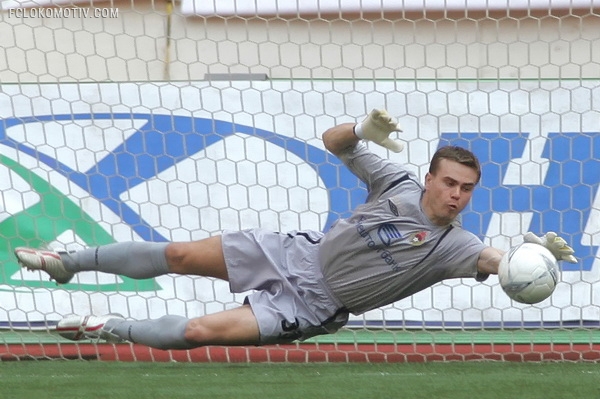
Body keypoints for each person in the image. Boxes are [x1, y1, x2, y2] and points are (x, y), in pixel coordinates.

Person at [14, 109, 577, 349]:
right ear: (430, 178)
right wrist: (361, 129)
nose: (457, 195)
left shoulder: (458, 247)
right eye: (450, 182)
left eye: (467, 189)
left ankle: (108, 327)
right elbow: (334, 143)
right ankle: (68, 263)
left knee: (198, 333)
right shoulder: (397, 183)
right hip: (293, 254)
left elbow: (496, 264)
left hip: (313, 306)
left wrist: (531, 261)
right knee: (180, 254)